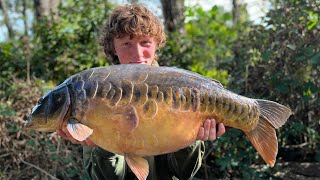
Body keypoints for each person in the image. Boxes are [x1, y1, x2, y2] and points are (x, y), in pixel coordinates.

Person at [57, 4, 226, 180]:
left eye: (145, 43)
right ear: (113, 47)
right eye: (127, 44)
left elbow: (184, 173)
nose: (137, 54)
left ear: (156, 44)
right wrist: (102, 145)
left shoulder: (183, 89)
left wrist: (192, 140)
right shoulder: (95, 94)